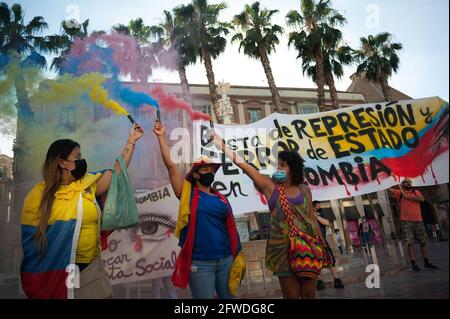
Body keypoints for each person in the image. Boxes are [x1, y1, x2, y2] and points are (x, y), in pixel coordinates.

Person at [20, 124, 144, 299]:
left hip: (92, 269)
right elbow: (32, 243)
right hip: (60, 273)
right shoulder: (38, 196)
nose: (82, 160)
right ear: (63, 163)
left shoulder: (87, 185)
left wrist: (131, 140)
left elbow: (118, 171)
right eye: (77, 157)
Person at [211, 132, 327, 299]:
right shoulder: (269, 186)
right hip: (282, 250)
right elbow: (245, 166)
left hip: (307, 247)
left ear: (293, 168)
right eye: (278, 164)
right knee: (291, 295)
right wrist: (223, 147)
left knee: (309, 293)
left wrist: (321, 243)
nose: (278, 168)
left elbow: (311, 217)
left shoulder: (304, 189)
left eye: (283, 165)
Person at [153, 121, 241, 299]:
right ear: (195, 174)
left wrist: (236, 254)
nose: (209, 172)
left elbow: (230, 229)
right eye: (205, 169)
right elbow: (171, 166)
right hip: (200, 264)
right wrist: (161, 137)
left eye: (211, 169)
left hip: (226, 260)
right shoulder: (187, 194)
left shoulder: (221, 198)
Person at [388, 178, 438, 271]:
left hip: (418, 220)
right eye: (406, 182)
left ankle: (426, 262)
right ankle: (413, 264)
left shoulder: (416, 192)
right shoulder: (399, 193)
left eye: (409, 182)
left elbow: (421, 199)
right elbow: (388, 189)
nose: (408, 183)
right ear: (402, 184)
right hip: (406, 221)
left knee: (423, 242)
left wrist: (407, 196)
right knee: (409, 243)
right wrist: (389, 180)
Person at [313, 201, 344, 290]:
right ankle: (319, 282)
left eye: (320, 205)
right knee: (315, 262)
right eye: (318, 205)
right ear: (313, 206)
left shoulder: (320, 214)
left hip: (323, 241)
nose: (320, 206)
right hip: (313, 242)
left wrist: (317, 217)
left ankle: (336, 280)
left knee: (331, 260)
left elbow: (326, 223)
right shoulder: (308, 215)